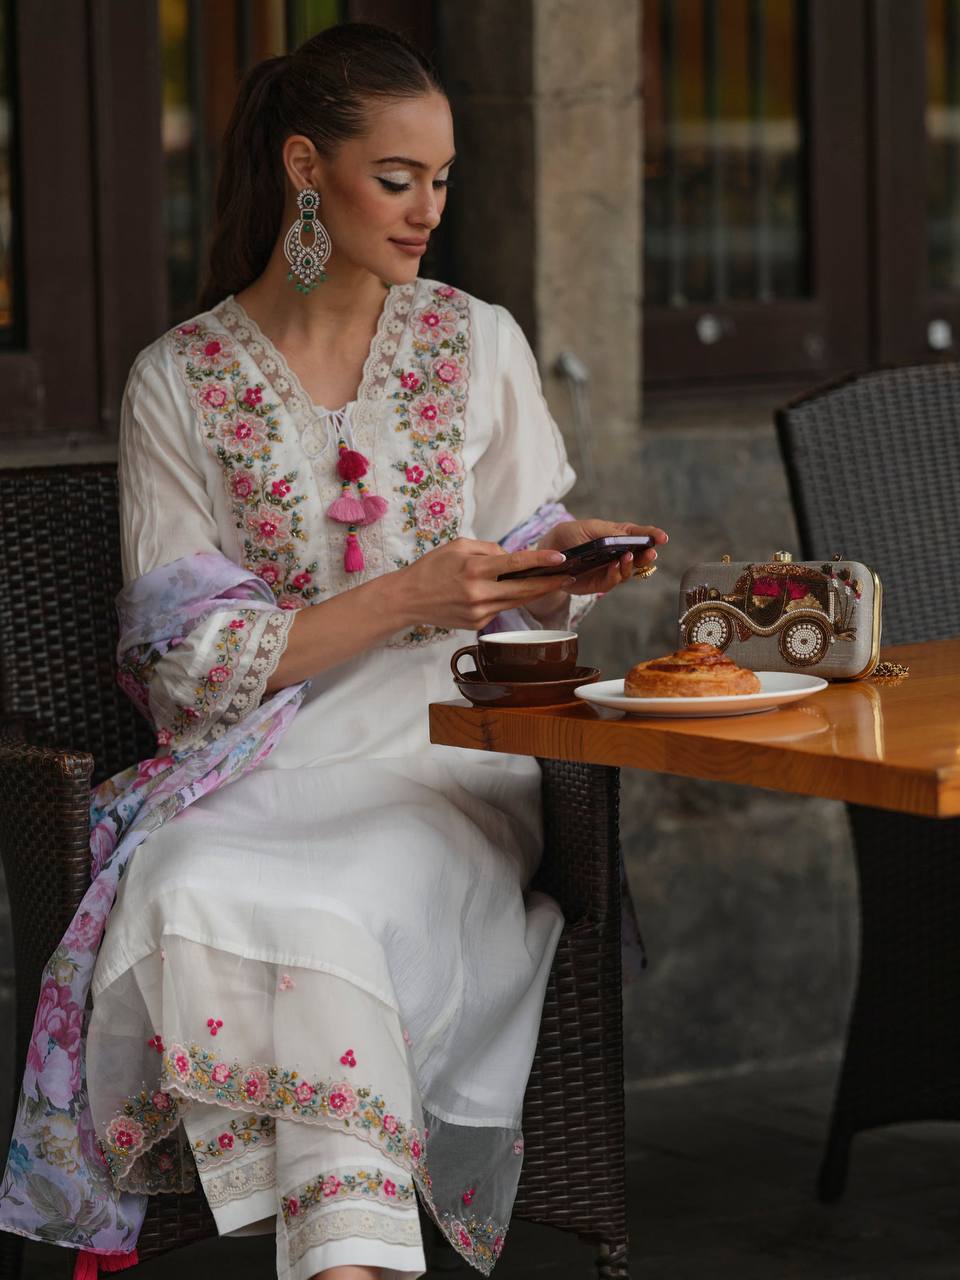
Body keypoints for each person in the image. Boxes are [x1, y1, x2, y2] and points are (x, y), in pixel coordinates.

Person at [0, 22, 666, 1280]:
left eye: (444, 178)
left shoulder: (481, 343)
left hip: (446, 755)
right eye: (398, 177)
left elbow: (520, 590)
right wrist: (410, 587)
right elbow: (190, 668)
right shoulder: (178, 380)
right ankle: (351, 1261)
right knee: (189, 883)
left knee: (333, 910)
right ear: (309, 168)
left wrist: (562, 555)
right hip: (251, 764)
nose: (429, 210)